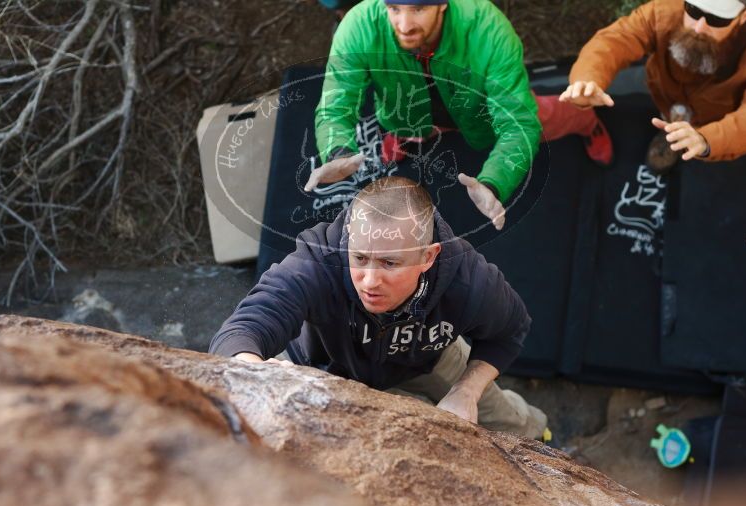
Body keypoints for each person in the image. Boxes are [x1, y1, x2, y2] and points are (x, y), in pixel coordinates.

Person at [210, 176, 548, 438]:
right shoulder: (320, 260)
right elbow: (244, 328)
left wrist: (466, 392)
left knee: (511, 423)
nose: (370, 281)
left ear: (427, 257)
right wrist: (254, 372)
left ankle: (547, 440)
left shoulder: (468, 278)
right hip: (323, 363)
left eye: (389, 263)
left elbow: (510, 330)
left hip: (427, 359)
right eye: (360, 258)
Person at [307, 0, 613, 232]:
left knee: (544, 118)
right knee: (402, 127)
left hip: (481, 114)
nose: (404, 24)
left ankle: (586, 121)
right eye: (394, 8)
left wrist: (494, 182)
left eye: (419, 9)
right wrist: (337, 150)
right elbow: (336, 101)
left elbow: (517, 123)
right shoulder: (359, 25)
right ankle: (405, 134)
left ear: (442, 5)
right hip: (407, 113)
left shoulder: (488, 28)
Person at [559, 0, 746, 173]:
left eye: (716, 19)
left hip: (720, 117)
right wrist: (588, 78)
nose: (699, 27)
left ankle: (693, 145)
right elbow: (617, 39)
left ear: (743, 16)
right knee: (669, 123)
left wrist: (708, 140)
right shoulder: (664, 8)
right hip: (666, 97)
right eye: (693, 9)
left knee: (720, 146)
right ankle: (672, 136)